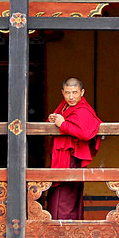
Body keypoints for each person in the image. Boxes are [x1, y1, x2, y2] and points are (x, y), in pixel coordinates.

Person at [46, 77, 102, 220]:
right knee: (57, 195)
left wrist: (63, 124)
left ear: (82, 92)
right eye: (68, 93)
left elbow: (84, 133)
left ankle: (65, 233)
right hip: (60, 158)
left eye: (75, 92)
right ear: (62, 92)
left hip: (71, 159)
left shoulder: (83, 109)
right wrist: (53, 119)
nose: (71, 97)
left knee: (66, 198)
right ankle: (57, 231)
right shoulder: (64, 106)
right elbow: (57, 120)